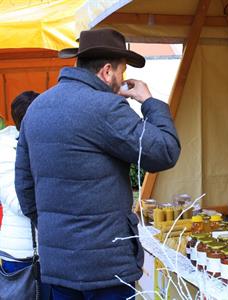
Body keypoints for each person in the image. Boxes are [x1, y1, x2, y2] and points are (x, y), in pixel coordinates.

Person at [15, 28, 181, 299]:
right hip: (107, 268)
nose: (122, 80)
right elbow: (165, 151)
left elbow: (24, 186)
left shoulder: (36, 108)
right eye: (122, 72)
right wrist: (149, 101)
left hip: (58, 264)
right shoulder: (105, 107)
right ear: (106, 72)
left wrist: (55, 231)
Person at [0, 91, 52, 299]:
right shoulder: (5, 151)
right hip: (20, 253)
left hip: (47, 252)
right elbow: (20, 203)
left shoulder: (41, 147)